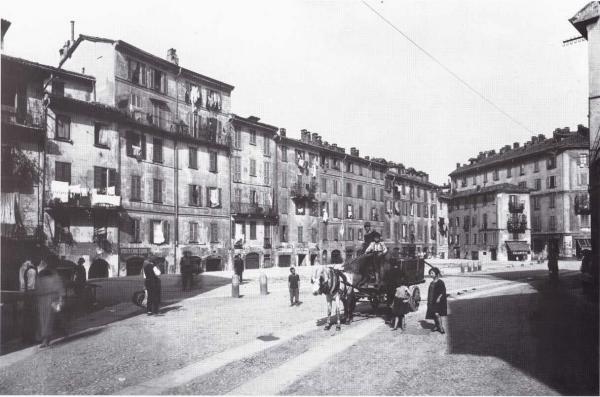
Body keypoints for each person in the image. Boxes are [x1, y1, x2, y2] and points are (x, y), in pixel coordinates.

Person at [35, 259, 66, 347]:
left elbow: (37, 286)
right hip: (51, 298)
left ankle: (45, 338)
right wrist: (61, 297)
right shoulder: (54, 274)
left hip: (42, 298)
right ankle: (46, 338)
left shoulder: (41, 273)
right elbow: (59, 287)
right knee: (48, 319)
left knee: (44, 319)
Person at [19, 258, 37, 343]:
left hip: (25, 294)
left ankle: (25, 337)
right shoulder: (32, 271)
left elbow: (22, 282)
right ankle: (30, 338)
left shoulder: (23, 267)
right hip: (31, 294)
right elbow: (31, 285)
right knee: (31, 316)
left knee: (26, 316)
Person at [426, 267, 447, 334]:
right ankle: (436, 326)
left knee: (437, 314)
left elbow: (443, 291)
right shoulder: (431, 283)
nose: (431, 274)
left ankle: (441, 327)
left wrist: (439, 298)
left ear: (436, 274)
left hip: (438, 301)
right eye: (430, 273)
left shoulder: (440, 282)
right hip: (431, 300)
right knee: (433, 314)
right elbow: (430, 292)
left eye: (432, 273)